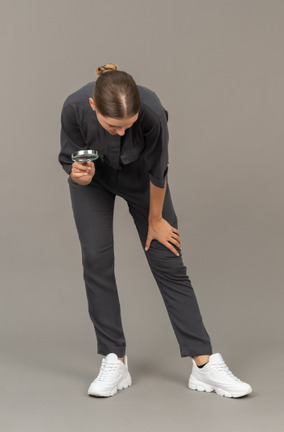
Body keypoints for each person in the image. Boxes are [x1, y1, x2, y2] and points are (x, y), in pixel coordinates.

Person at [59, 63, 252, 399]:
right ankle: (113, 358)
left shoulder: (150, 112)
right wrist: (78, 175)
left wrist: (155, 219)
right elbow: (70, 158)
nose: (120, 132)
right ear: (93, 106)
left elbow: (158, 167)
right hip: (94, 184)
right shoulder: (74, 107)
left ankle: (204, 365)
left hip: (143, 183)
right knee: (96, 260)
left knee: (169, 261)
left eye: (127, 126)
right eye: (111, 126)